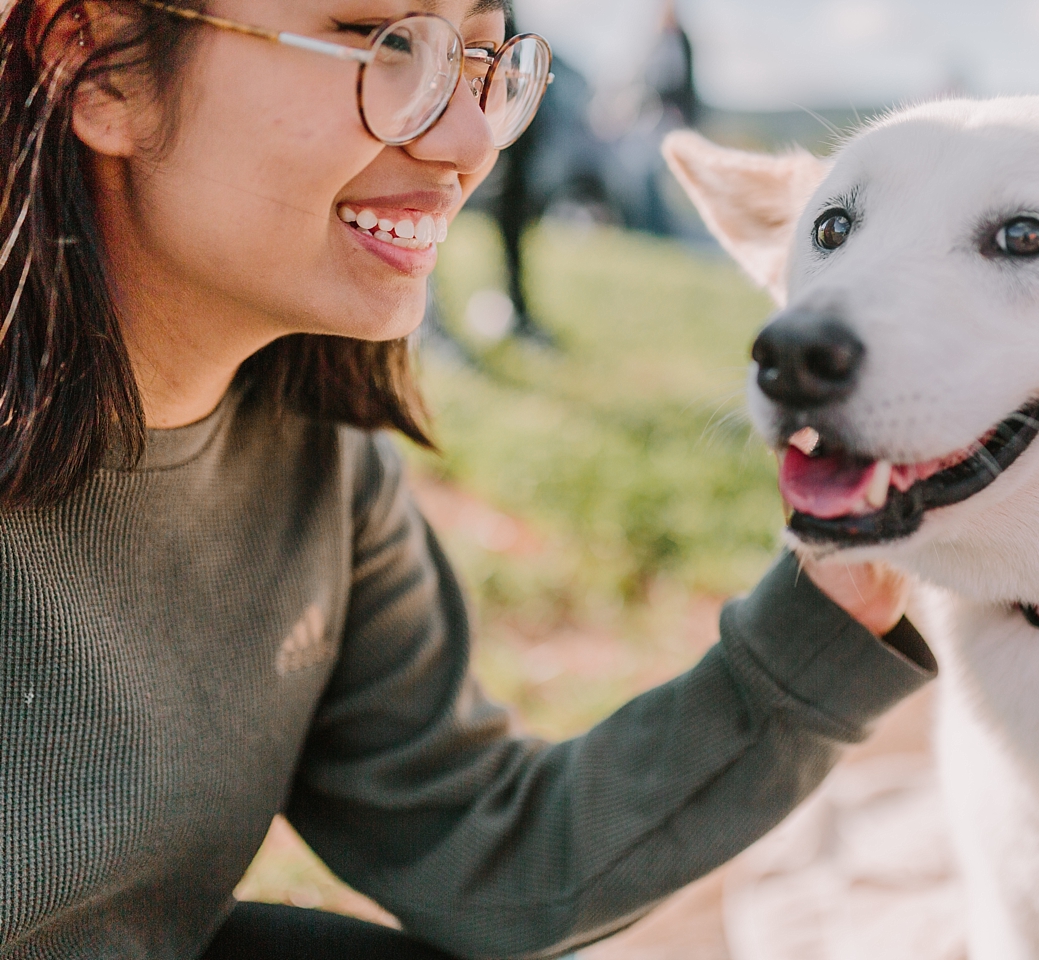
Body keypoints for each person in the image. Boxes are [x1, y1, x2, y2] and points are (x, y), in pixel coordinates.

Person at [0, 1, 932, 958]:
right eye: (382, 43)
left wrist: (835, 606)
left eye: (485, 59)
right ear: (97, 63)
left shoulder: (320, 464)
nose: (468, 138)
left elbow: (483, 849)